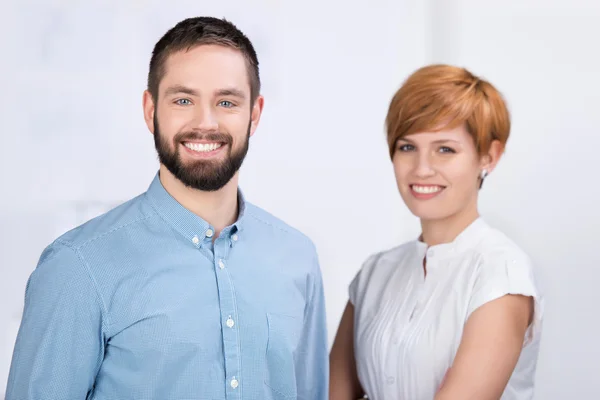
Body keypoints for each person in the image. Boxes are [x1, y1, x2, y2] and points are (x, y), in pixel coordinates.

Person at [6, 16, 328, 400]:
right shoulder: (78, 267)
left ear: (254, 114)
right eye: (183, 100)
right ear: (150, 109)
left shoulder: (298, 259)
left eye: (226, 102)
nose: (205, 123)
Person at [329, 64, 544, 400]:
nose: (422, 168)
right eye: (407, 147)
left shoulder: (501, 272)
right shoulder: (375, 273)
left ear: (489, 156)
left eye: (445, 149)